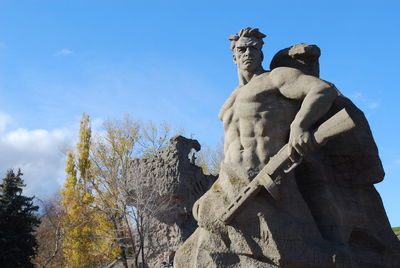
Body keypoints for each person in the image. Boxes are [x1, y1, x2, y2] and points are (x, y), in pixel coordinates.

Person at [174, 28, 400, 268]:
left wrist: (299, 126)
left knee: (300, 253)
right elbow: (230, 151)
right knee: (187, 256)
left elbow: (322, 90)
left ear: (262, 54)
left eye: (254, 48)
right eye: (242, 49)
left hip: (271, 178)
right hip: (231, 183)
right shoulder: (228, 102)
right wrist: (213, 191)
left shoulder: (275, 78)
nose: (248, 53)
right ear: (233, 57)